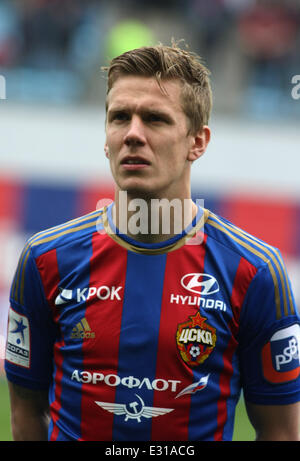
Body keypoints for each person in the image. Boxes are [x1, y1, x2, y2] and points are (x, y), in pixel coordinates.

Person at [5, 43, 300, 441]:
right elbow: (25, 415)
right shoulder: (45, 260)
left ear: (198, 142)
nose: (133, 134)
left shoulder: (256, 271)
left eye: (155, 119)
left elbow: (280, 433)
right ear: (106, 137)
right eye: (120, 117)